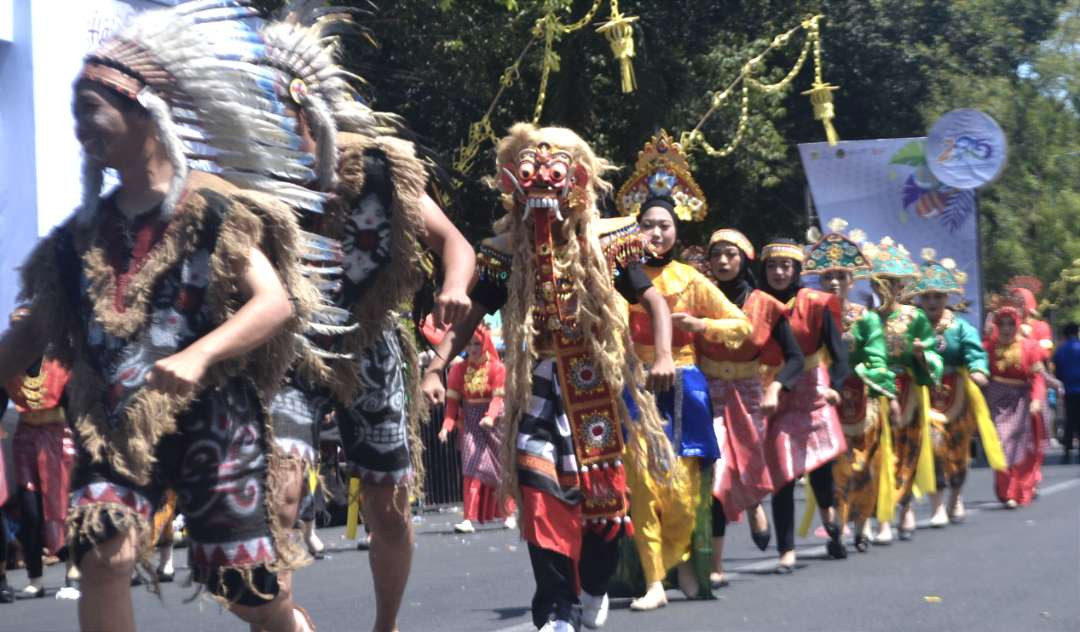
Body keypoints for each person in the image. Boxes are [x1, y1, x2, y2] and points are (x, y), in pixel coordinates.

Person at [0, 5, 320, 631]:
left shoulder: (209, 210)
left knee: (245, 585)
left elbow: (274, 301)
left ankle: (290, 623)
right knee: (102, 553)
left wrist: (199, 353)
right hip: (112, 420)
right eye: (75, 116)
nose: (81, 130)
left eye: (92, 112)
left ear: (145, 112)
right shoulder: (76, 240)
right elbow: (31, 332)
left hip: (214, 418)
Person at [252, 13, 476, 632]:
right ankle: (282, 621)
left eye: (280, 105)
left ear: (308, 107)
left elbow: (456, 243)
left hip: (371, 344)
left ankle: (386, 625)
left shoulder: (376, 170)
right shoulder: (245, 185)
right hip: (286, 351)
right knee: (282, 491)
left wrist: (454, 286)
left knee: (388, 507)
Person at [422, 123, 677, 632]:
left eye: (554, 172)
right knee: (538, 491)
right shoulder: (504, 250)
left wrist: (664, 355)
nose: (542, 185)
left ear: (576, 180)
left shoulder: (608, 241)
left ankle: (595, 587)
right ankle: (556, 609)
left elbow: (650, 299)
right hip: (535, 384)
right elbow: (473, 313)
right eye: (530, 172)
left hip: (593, 385)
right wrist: (436, 364)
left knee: (604, 511)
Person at [615, 131, 750, 610]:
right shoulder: (620, 280)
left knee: (682, 483)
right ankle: (653, 579)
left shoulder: (692, 279)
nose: (656, 233)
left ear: (678, 231)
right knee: (639, 481)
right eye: (648, 225)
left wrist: (697, 323)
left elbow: (742, 325)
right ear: (635, 229)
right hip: (634, 385)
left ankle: (683, 560)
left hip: (684, 384)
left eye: (664, 225)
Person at [701, 228, 803, 585]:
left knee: (745, 461)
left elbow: (794, 359)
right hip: (708, 392)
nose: (723, 261)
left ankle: (755, 503)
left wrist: (776, 387)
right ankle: (715, 564)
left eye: (730, 254)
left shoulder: (766, 304)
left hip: (748, 392)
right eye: (717, 255)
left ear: (744, 260)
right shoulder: (700, 297)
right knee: (717, 470)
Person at [802, 221, 895, 553]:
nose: (835, 282)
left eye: (841, 276)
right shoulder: (811, 315)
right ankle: (837, 527)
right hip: (825, 400)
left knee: (864, 466)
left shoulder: (866, 318)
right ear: (821, 280)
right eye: (829, 277)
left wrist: (860, 370)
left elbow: (878, 359)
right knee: (834, 466)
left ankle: (864, 521)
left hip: (862, 403)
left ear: (851, 280)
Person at [760, 238, 850, 571]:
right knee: (782, 472)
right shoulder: (756, 304)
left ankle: (832, 526)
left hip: (813, 391)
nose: (779, 272)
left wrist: (836, 389)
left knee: (820, 472)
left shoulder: (817, 303)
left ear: (797, 270)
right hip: (775, 394)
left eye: (786, 266)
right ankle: (786, 550)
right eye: (772, 266)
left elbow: (840, 357)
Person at [904, 250, 1001, 526]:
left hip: (956, 392)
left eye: (938, 296)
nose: (932, 301)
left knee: (957, 451)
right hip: (923, 393)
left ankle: (955, 497)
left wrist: (978, 369)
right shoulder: (912, 326)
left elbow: (975, 352)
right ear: (919, 299)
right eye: (927, 296)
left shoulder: (960, 327)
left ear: (947, 298)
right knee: (931, 447)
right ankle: (937, 505)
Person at [861, 237, 943, 543]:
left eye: (892, 283)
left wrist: (923, 353)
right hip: (874, 391)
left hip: (907, 389)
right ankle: (879, 516)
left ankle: (905, 507)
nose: (886, 288)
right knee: (877, 454)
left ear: (900, 288)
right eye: (880, 282)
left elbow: (933, 354)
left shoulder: (915, 317)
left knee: (907, 451)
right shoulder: (866, 319)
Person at [0, 306, 77, 597]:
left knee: (61, 505)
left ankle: (73, 568)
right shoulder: (8, 364)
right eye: (14, 326)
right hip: (25, 438)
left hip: (58, 437)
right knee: (31, 512)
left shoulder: (59, 361)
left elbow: (74, 404)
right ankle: (36, 577)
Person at [438, 325, 516, 533]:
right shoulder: (458, 370)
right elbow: (452, 404)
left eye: (477, 344)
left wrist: (490, 417)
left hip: (495, 423)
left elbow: (498, 398)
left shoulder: (498, 369)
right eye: (470, 343)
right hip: (471, 423)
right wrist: (446, 426)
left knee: (500, 469)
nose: (472, 348)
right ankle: (468, 519)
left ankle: (507, 513)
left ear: (485, 344)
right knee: (471, 467)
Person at [984, 306, 1047, 507]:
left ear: (1018, 324)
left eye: (1011, 323)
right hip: (996, 401)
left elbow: (1037, 377)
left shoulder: (1030, 347)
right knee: (1001, 443)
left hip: (1021, 401)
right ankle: (1006, 490)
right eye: (1001, 323)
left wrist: (1037, 399)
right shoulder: (988, 347)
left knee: (1019, 447)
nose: (1006, 328)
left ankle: (1014, 490)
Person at [1053, 323, 1080, 462]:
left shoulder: (1061, 350)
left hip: (1069, 389)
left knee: (1069, 419)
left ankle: (1067, 451)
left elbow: (1057, 370)